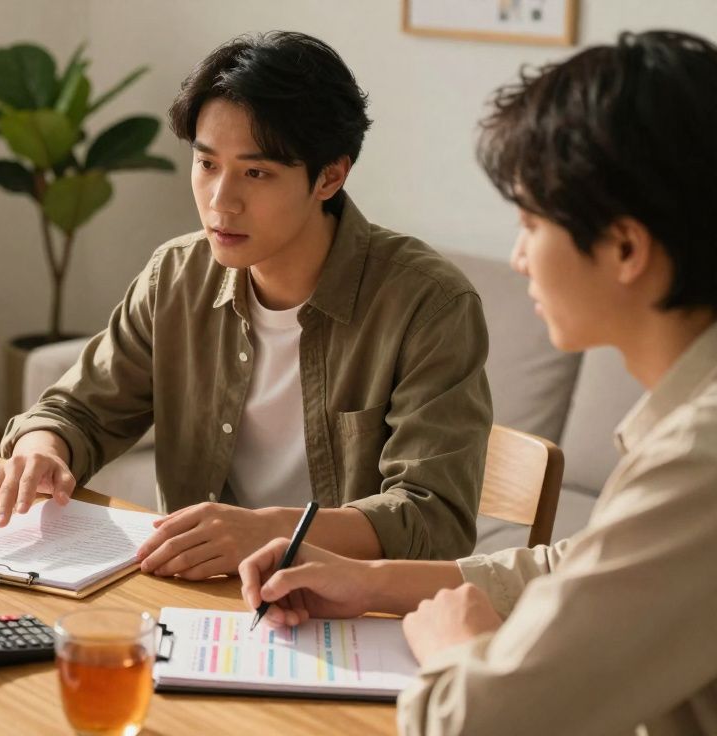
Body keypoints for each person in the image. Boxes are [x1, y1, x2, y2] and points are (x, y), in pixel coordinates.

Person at [238, 30, 717, 735]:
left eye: (530, 224)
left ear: (624, 247)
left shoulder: (698, 462)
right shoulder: (688, 432)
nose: (518, 258)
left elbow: (475, 723)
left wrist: (455, 645)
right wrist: (370, 581)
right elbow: (584, 567)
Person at [0, 31, 492, 577]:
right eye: (207, 164)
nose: (221, 201)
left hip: (354, 605)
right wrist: (42, 449)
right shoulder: (177, 276)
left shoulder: (428, 303)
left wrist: (272, 533)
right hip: (197, 592)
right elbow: (78, 410)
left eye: (256, 172)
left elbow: (434, 519)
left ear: (330, 176)